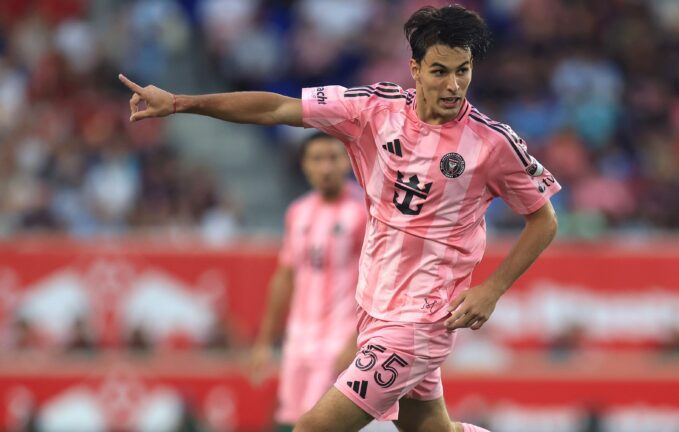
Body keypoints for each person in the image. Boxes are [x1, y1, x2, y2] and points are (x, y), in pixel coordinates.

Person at [119, 5, 560, 431]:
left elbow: (544, 221)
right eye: (440, 71)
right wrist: (178, 102)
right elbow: (276, 108)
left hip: (422, 321)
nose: (453, 85)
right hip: (374, 308)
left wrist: (492, 290)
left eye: (463, 70)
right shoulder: (372, 110)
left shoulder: (492, 144)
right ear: (415, 68)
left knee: (313, 428)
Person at [250, 131, 366, 430]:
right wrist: (264, 341)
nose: (326, 167)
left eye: (333, 158)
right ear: (305, 165)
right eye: (317, 159)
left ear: (347, 161)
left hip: (339, 339)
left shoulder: (364, 211)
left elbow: (378, 282)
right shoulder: (297, 212)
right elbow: (285, 276)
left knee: (316, 423)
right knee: (289, 418)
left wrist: (356, 341)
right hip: (299, 339)